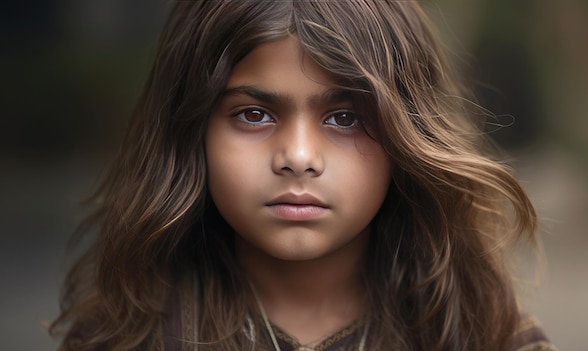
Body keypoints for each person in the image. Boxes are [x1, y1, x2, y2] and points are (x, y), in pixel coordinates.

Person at [50, 1, 558, 350]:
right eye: (253, 114)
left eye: (345, 117)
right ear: (192, 129)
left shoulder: (485, 336)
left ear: (409, 135)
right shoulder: (124, 340)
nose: (297, 156)